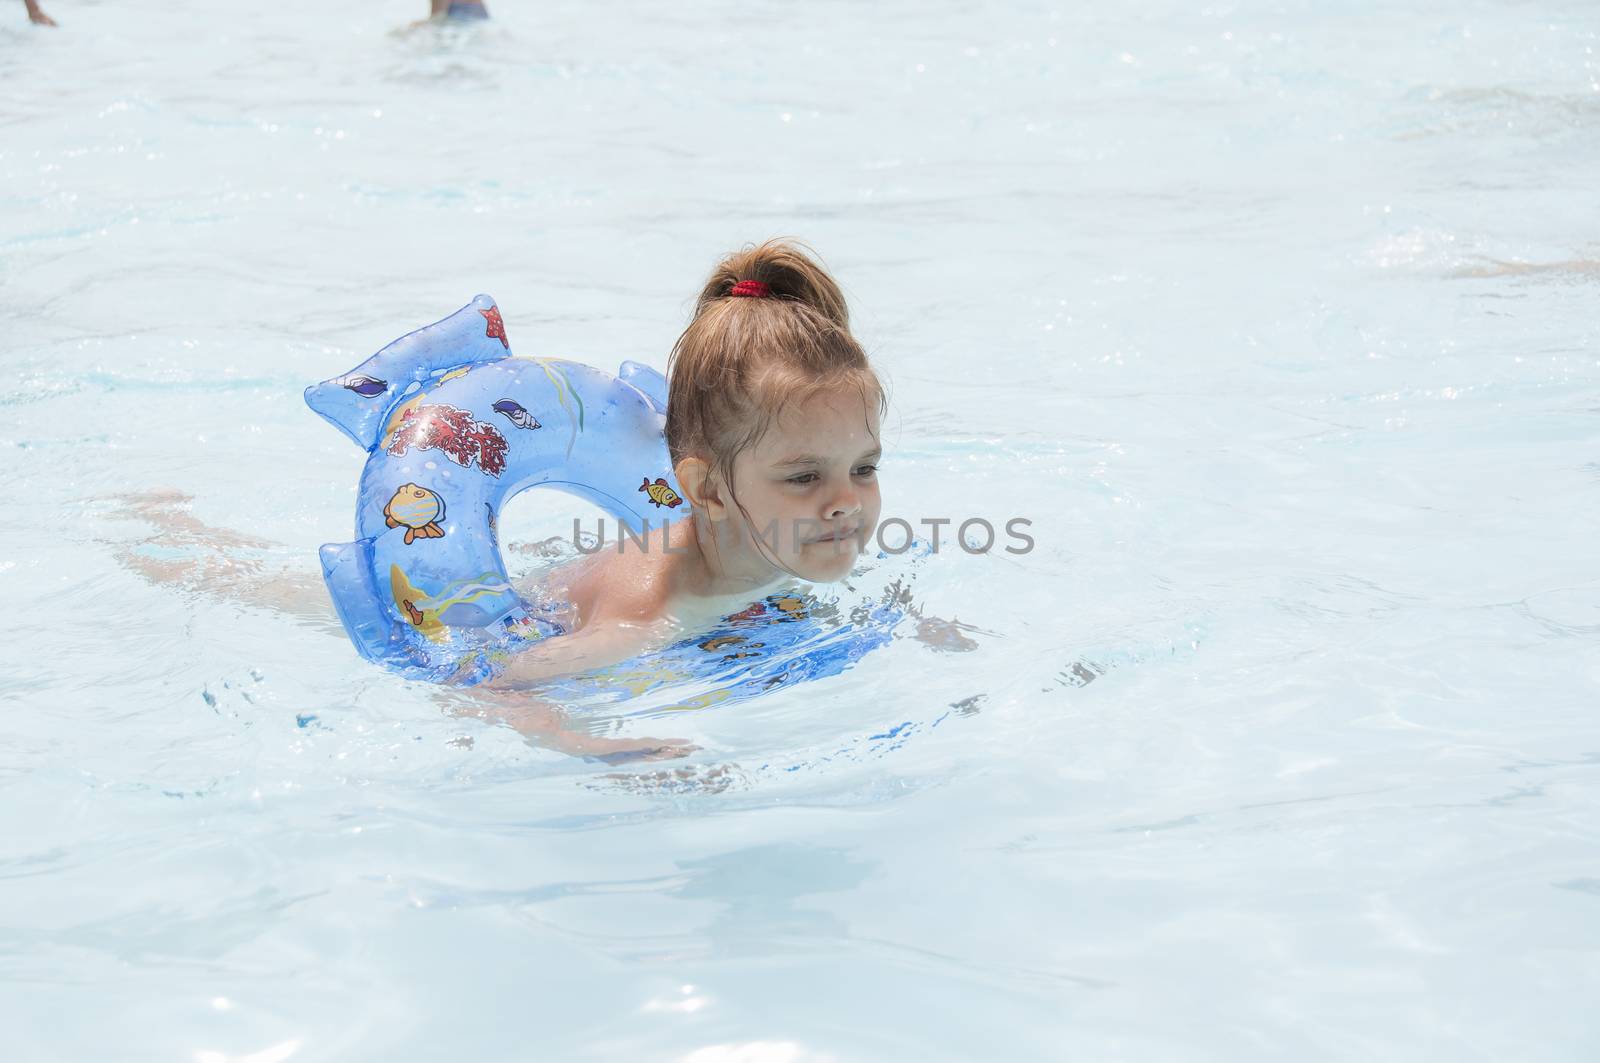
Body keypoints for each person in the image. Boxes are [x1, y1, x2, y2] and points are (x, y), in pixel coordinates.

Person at [116, 241, 976, 762]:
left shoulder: (773, 543)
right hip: (523, 610)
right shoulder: (648, 624)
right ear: (705, 485)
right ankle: (164, 537)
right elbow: (480, 678)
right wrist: (579, 742)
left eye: (864, 468)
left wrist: (925, 629)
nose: (844, 503)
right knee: (274, 594)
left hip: (587, 574)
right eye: (804, 477)